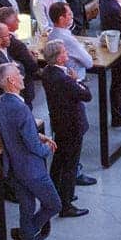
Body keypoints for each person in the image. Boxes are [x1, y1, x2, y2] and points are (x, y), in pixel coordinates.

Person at [0, 62, 59, 240]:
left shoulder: (3, 102)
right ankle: (25, 234)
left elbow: (12, 132)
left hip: (14, 167)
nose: (22, 76)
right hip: (32, 169)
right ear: (12, 81)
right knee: (53, 204)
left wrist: (37, 134)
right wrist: (46, 150)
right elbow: (32, 145)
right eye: (18, 74)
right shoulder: (21, 108)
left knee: (26, 207)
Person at [39, 40, 93, 218]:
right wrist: (77, 80)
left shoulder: (47, 73)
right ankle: (66, 203)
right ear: (58, 58)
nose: (67, 54)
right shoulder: (64, 79)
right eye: (64, 52)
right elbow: (86, 95)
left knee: (59, 161)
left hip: (60, 123)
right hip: (72, 125)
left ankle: (56, 195)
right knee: (70, 164)